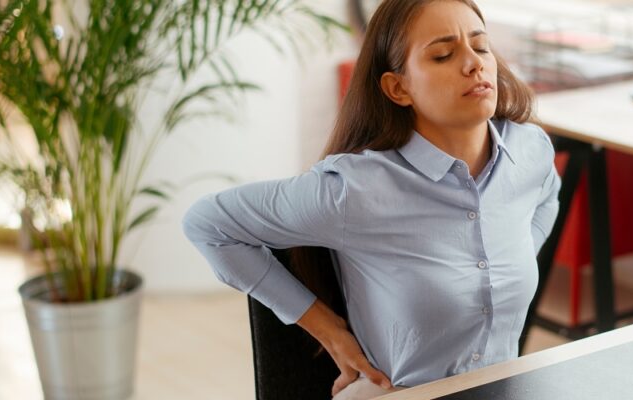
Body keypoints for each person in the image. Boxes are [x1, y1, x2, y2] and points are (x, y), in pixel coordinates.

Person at [182, 0, 560, 398]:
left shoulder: (528, 150)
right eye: (443, 55)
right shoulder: (357, 190)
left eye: (481, 47)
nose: (473, 64)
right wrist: (328, 330)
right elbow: (207, 223)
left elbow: (547, 196)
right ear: (399, 88)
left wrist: (507, 260)